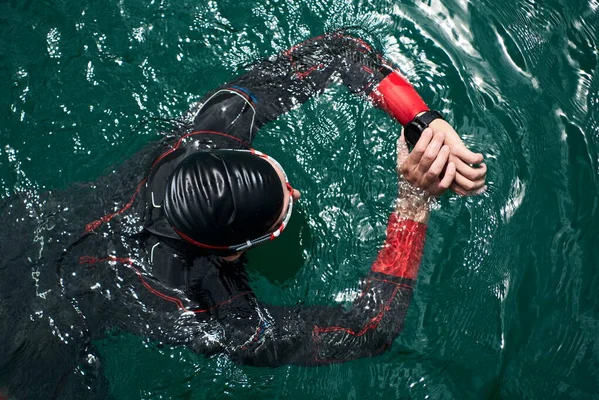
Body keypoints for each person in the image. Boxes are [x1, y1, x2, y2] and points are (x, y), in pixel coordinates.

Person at [0, 30, 485, 397]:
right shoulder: (206, 308)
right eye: (283, 209)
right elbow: (368, 331)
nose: (292, 188)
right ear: (233, 253)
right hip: (42, 343)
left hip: (17, 226)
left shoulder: (199, 137)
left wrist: (423, 120)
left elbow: (338, 52)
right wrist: (413, 202)